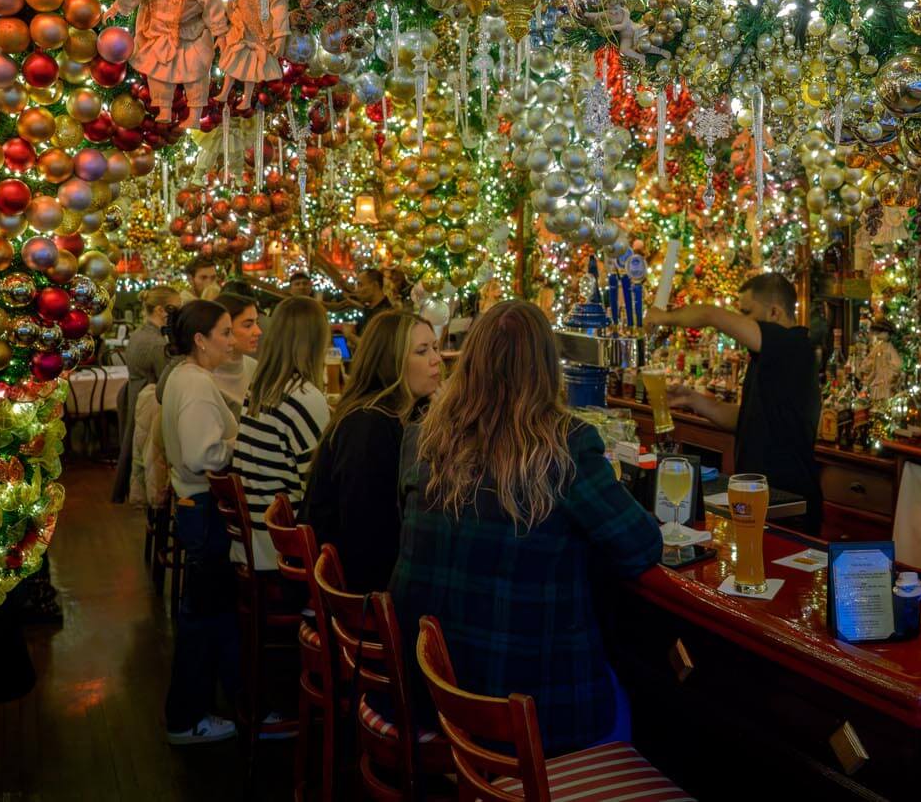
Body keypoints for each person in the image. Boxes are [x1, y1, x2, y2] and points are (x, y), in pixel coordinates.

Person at [394, 301, 662, 757]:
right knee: (629, 701)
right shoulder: (566, 444)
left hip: (428, 690)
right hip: (529, 713)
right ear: (545, 368)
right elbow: (642, 546)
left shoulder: (424, 436)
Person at [646, 272, 823, 534]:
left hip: (788, 501)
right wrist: (692, 399)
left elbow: (710, 316)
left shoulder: (791, 345)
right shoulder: (768, 357)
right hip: (762, 497)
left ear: (774, 313)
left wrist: (663, 317)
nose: (741, 321)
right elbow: (746, 419)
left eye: (747, 312)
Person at [304, 311, 442, 592]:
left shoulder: (404, 414)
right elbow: (367, 536)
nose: (436, 359)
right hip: (356, 593)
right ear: (391, 362)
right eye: (422, 351)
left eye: (435, 347)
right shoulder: (369, 426)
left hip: (366, 576)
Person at [158, 300, 240, 745]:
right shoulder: (195, 384)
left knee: (210, 613)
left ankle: (219, 703)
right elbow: (200, 454)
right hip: (205, 504)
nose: (231, 342)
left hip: (193, 504)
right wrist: (236, 444)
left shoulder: (184, 378)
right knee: (203, 616)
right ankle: (186, 717)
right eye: (225, 332)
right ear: (200, 339)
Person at [232, 298, 331, 571]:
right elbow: (316, 486)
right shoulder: (304, 397)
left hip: (255, 537)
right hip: (282, 549)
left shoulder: (261, 387)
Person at [113, 286, 179, 504]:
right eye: (176, 310)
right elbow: (165, 381)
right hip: (149, 402)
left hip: (136, 395)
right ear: (161, 310)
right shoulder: (157, 343)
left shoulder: (140, 334)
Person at [214, 291, 262, 411]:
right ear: (225, 329)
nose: (258, 331)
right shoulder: (206, 376)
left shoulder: (254, 367)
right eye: (247, 325)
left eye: (257, 323)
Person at [341, 269, 390, 348]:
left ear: (375, 285)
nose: (357, 290)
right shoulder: (369, 310)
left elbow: (374, 348)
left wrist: (350, 335)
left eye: (360, 285)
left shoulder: (386, 314)